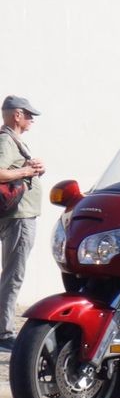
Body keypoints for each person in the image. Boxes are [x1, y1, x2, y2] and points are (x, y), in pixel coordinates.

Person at [0, 95, 46, 351]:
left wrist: (35, 167)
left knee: (11, 274)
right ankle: (4, 334)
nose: (31, 120)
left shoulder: (12, 140)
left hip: (19, 216)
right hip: (18, 218)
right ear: (16, 115)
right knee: (13, 275)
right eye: (28, 115)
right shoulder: (7, 139)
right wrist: (27, 171)